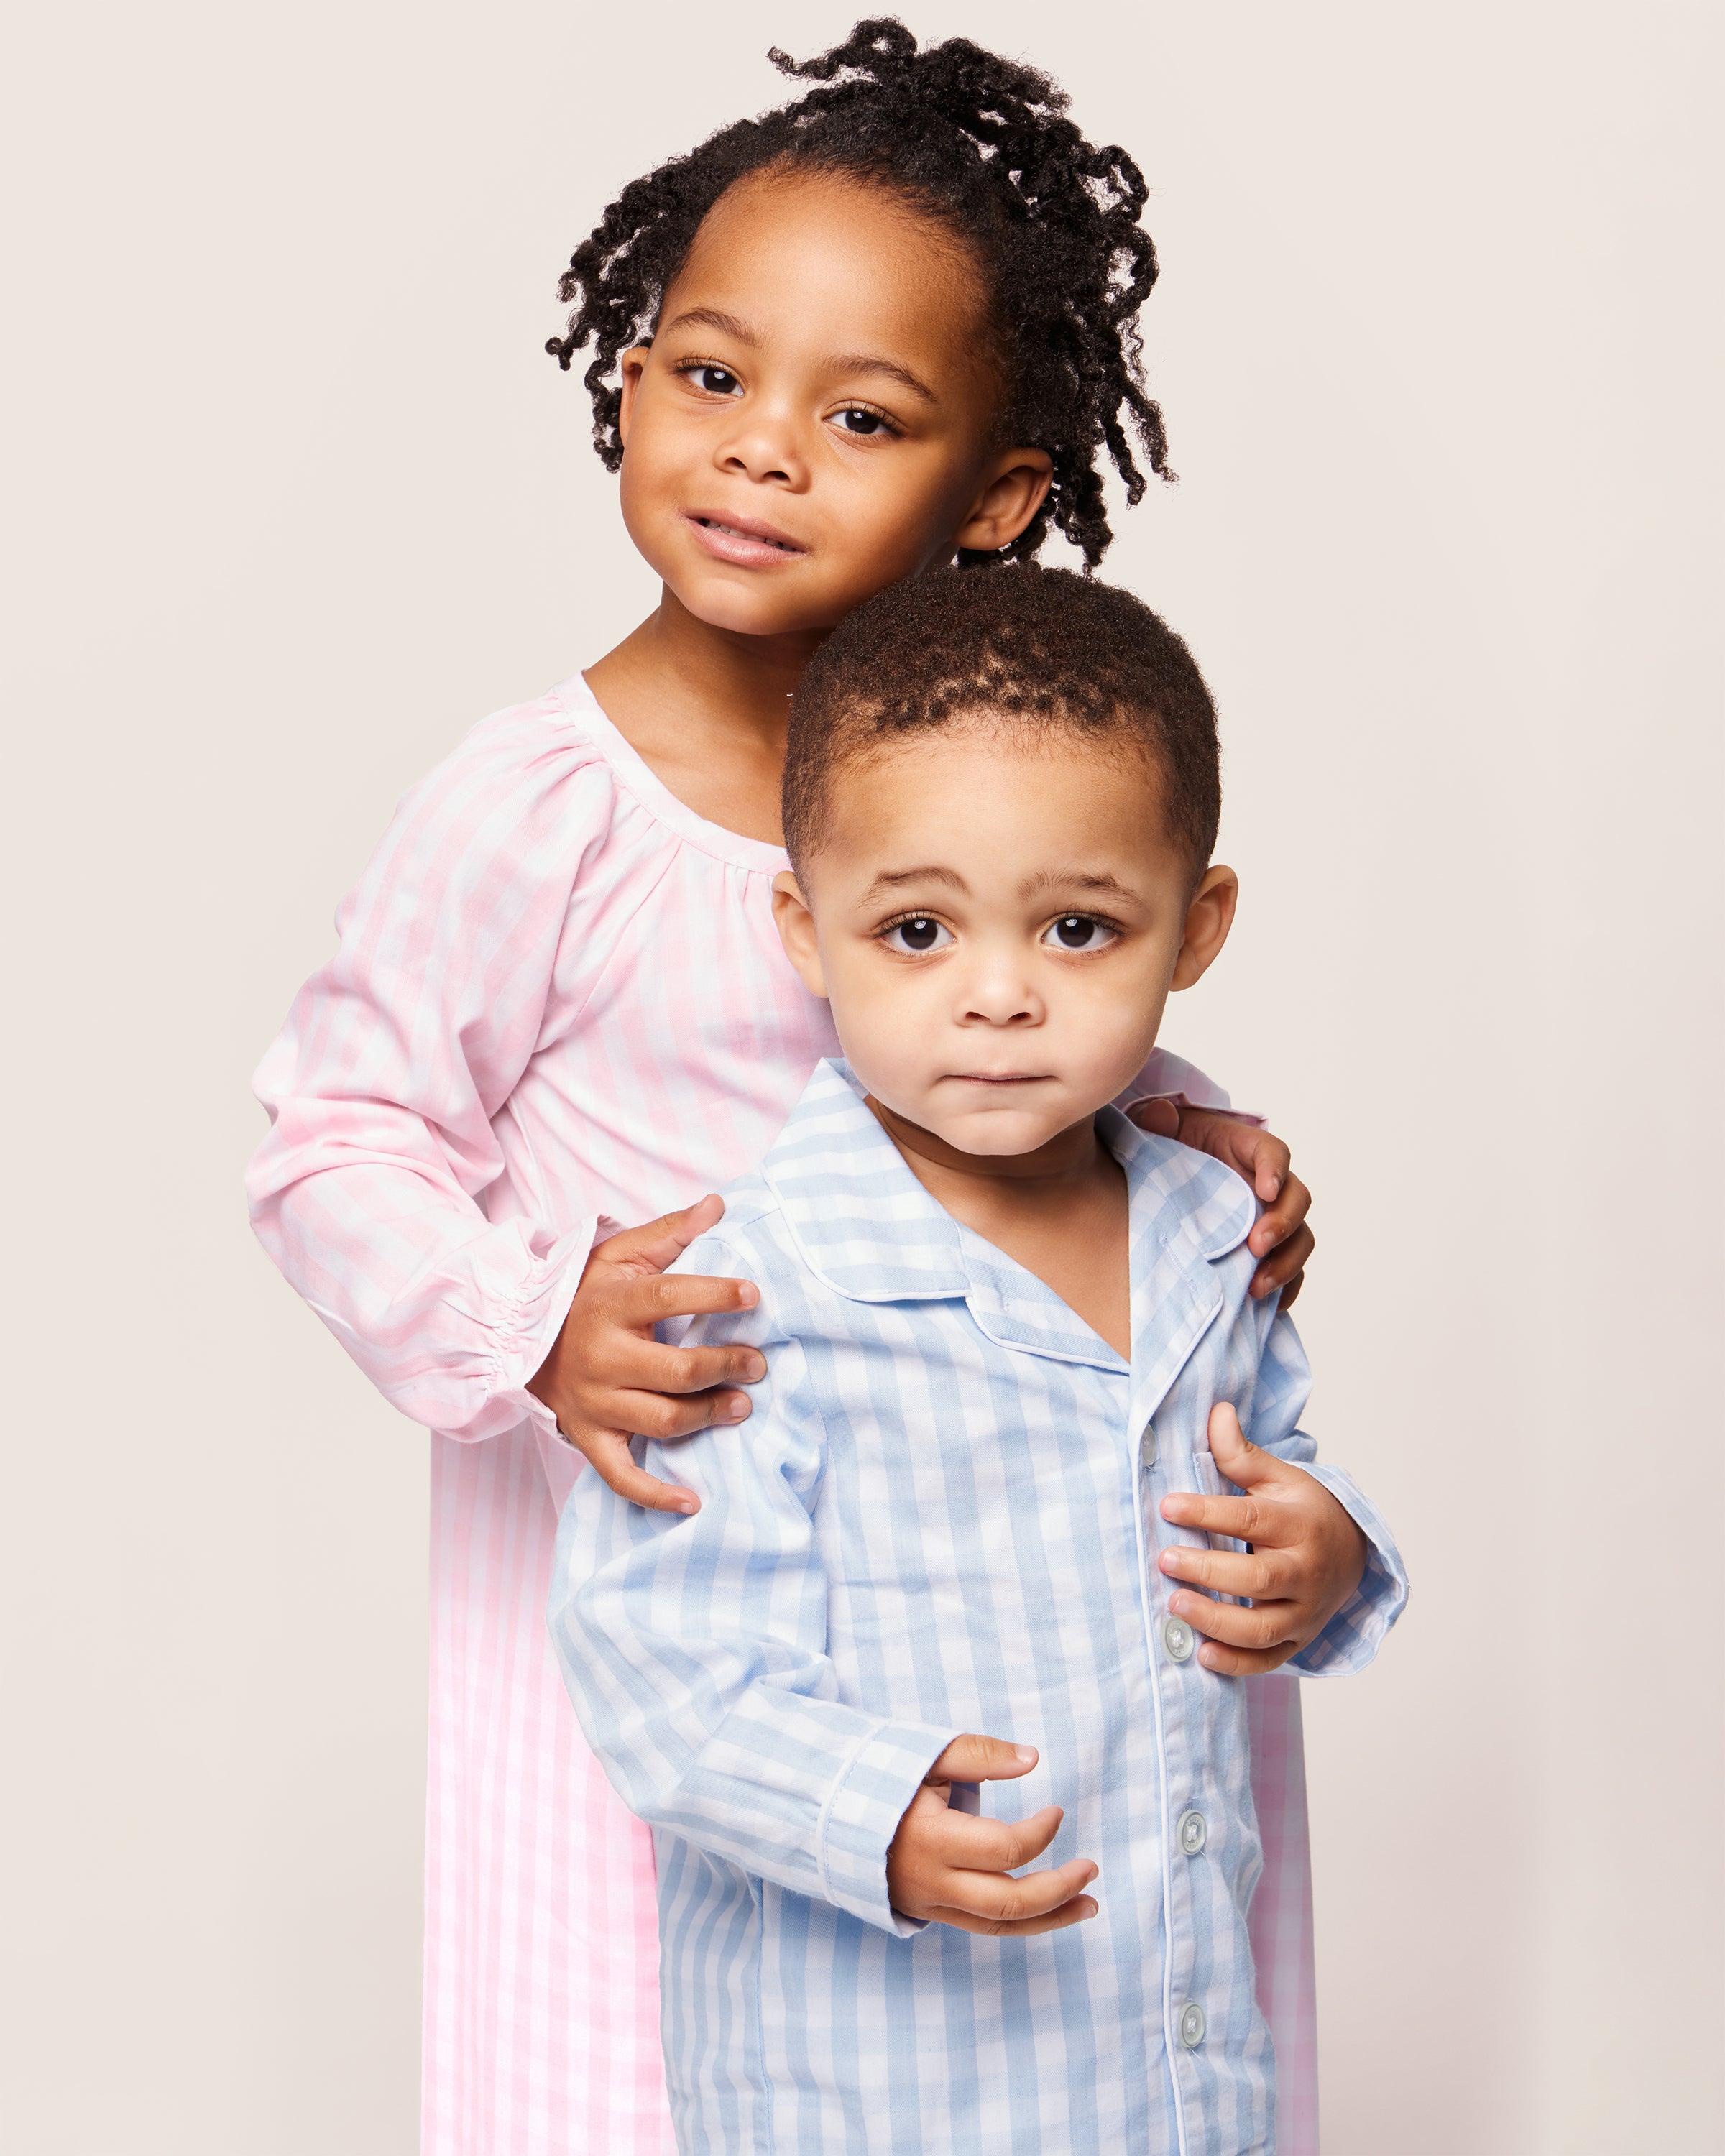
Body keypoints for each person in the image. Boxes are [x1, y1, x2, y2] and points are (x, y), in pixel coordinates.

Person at [247, 22, 1321, 2155]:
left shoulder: (983, 757)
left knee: (1073, 1956)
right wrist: (537, 1325)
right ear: (626, 377)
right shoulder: (539, 807)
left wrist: (1183, 1137)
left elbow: (1016, 1013)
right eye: (711, 374)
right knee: (635, 2045)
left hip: (990, 1541)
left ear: (995, 497)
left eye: (862, 413)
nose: (761, 451)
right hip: (673, 1533)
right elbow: (334, 1139)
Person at [550, 564, 1406, 2156]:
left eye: (1079, 928)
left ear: (1195, 928)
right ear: (808, 930)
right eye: (918, 928)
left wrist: (1329, 1547)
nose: (1000, 995)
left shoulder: (1211, 1229)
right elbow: (659, 1671)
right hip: (874, 2084)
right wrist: (867, 1811)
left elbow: (1273, 1466)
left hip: (1162, 2040)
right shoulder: (746, 1289)